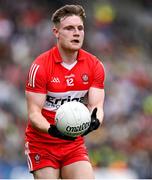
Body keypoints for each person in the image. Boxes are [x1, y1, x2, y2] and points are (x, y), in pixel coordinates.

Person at [25, 4, 105, 179]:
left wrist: (94, 122)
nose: (76, 32)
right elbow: (33, 114)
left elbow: (97, 105)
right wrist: (53, 130)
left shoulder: (94, 65)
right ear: (56, 32)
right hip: (42, 144)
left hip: (73, 143)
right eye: (69, 28)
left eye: (80, 28)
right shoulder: (40, 66)